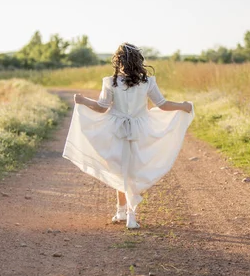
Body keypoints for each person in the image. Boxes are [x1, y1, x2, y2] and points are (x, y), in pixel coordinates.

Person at [62, 43, 194, 229]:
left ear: (118, 61)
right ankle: (128, 214)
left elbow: (101, 107)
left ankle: (122, 211)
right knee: (131, 170)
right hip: (140, 128)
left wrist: (83, 101)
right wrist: (183, 106)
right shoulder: (147, 82)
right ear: (138, 62)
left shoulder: (111, 81)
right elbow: (162, 104)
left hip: (116, 129)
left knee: (121, 169)